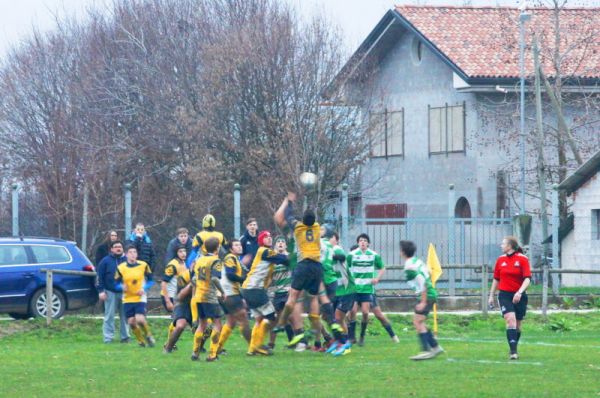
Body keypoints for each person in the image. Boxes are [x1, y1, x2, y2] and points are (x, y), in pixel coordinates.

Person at [272, 192, 342, 346]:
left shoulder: (296, 227)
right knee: (316, 298)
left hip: (302, 265)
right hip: (316, 267)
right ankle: (330, 324)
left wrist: (289, 201)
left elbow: (286, 216)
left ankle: (283, 325)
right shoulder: (317, 228)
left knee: (293, 298)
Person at [241, 231, 288, 356]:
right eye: (266, 237)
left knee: (259, 319)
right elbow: (283, 259)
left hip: (248, 288)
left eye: (270, 236)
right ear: (261, 240)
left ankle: (251, 349)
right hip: (255, 288)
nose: (269, 238)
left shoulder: (265, 252)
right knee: (271, 317)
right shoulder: (265, 251)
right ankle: (259, 346)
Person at [488, 236, 531, 360]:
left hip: (519, 295)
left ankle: (513, 345)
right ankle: (513, 352)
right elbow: (496, 279)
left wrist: (519, 292)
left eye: (503, 243)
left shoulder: (523, 259)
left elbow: (527, 278)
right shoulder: (500, 260)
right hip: (505, 295)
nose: (501, 246)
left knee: (517, 325)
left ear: (510, 246)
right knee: (510, 319)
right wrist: (491, 295)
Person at [400, 240, 443, 360]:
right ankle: (435, 347)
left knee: (417, 322)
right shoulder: (416, 261)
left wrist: (423, 301)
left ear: (403, 252)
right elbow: (428, 272)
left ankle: (426, 350)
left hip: (427, 295)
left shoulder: (409, 266)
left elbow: (421, 281)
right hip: (429, 293)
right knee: (419, 321)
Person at [346, 233, 385, 346]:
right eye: (360, 240)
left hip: (367, 288)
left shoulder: (373, 255)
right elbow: (345, 268)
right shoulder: (352, 255)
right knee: (352, 311)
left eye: (365, 240)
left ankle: (362, 336)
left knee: (365, 313)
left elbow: (382, 268)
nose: (362, 242)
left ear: (368, 243)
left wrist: (377, 278)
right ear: (358, 243)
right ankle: (352, 337)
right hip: (354, 289)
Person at [191, 237, 225, 362]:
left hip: (199, 296)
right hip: (210, 297)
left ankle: (195, 353)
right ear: (217, 248)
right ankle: (212, 354)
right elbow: (215, 279)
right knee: (217, 324)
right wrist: (222, 292)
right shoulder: (216, 261)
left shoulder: (199, 260)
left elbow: (193, 279)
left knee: (202, 324)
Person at [114, 245, 156, 348]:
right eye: (130, 252)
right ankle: (141, 341)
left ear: (137, 254)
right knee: (131, 322)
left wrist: (144, 288)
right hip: (127, 298)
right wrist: (121, 287)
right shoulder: (121, 268)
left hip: (140, 297)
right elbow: (115, 283)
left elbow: (151, 280)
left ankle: (148, 336)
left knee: (140, 319)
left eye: (134, 252)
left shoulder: (144, 265)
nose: (133, 254)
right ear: (127, 254)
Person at [216, 239, 252, 354]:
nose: (240, 247)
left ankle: (218, 347)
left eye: (240, 245)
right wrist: (244, 279)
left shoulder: (235, 259)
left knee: (231, 322)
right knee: (244, 320)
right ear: (231, 249)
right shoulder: (230, 258)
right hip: (230, 294)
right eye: (236, 245)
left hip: (226, 294)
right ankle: (254, 347)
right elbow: (230, 275)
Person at [324, 232, 354, 356]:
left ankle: (345, 343)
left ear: (336, 240)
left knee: (338, 317)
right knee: (329, 317)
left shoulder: (337, 249)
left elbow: (341, 257)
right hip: (337, 290)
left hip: (347, 289)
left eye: (330, 237)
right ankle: (338, 341)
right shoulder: (325, 253)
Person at [96, 240, 129, 344]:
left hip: (125, 293)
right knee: (109, 316)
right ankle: (108, 338)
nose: (118, 248)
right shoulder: (105, 261)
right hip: (110, 292)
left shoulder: (128, 261)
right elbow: (99, 277)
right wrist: (101, 291)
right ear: (111, 249)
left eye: (120, 246)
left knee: (125, 316)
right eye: (116, 247)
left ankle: (125, 337)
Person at [163, 264, 193, 353]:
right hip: (184, 303)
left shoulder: (207, 275)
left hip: (199, 303)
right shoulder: (184, 276)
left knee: (207, 329)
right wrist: (191, 285)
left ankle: (202, 349)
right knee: (180, 325)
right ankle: (168, 348)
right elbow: (180, 296)